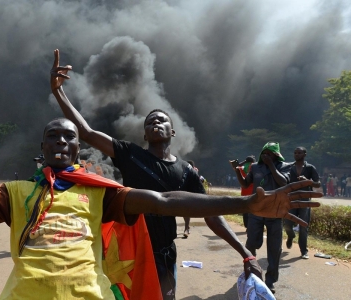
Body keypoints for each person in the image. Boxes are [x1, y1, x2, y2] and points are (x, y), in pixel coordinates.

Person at [0, 120, 321, 299]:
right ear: (43, 147)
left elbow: (164, 202)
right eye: (54, 136)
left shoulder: (100, 194)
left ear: (77, 149)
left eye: (71, 137)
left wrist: (245, 202)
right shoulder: (13, 193)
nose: (63, 142)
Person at [51, 49, 268, 299]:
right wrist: (58, 91)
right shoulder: (129, 154)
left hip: (164, 256)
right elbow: (86, 132)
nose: (155, 122)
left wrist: (245, 253)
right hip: (129, 253)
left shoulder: (186, 171)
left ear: (172, 132)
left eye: (162, 120)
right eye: (150, 121)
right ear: (144, 134)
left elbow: (211, 214)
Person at [235, 142, 290, 293]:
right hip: (256, 211)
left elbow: (283, 182)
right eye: (264, 152)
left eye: (270, 153)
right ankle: (253, 276)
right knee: (251, 244)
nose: (266, 155)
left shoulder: (284, 166)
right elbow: (246, 184)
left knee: (274, 249)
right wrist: (237, 171)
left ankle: (270, 281)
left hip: (275, 212)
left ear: (276, 155)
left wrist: (271, 165)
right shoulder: (255, 167)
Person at [283, 147, 320, 259]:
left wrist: (308, 181)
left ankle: (303, 251)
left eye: (299, 153)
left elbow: (317, 184)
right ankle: (290, 235)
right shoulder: (289, 167)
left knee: (303, 225)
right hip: (291, 198)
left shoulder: (310, 168)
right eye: (295, 153)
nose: (297, 154)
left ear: (305, 154)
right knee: (287, 224)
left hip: (305, 199)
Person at [230, 156, 256, 228]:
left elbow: (236, 167)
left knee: (245, 210)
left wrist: (244, 161)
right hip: (253, 192)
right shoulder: (254, 167)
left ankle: (246, 225)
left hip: (244, 192)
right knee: (252, 211)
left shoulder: (242, 168)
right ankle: (251, 226)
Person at [182, 160, 199, 238]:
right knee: (184, 212)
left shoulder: (194, 171)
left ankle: (186, 229)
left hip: (191, 194)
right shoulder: (183, 170)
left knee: (187, 212)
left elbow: (198, 181)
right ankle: (187, 227)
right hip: (184, 193)